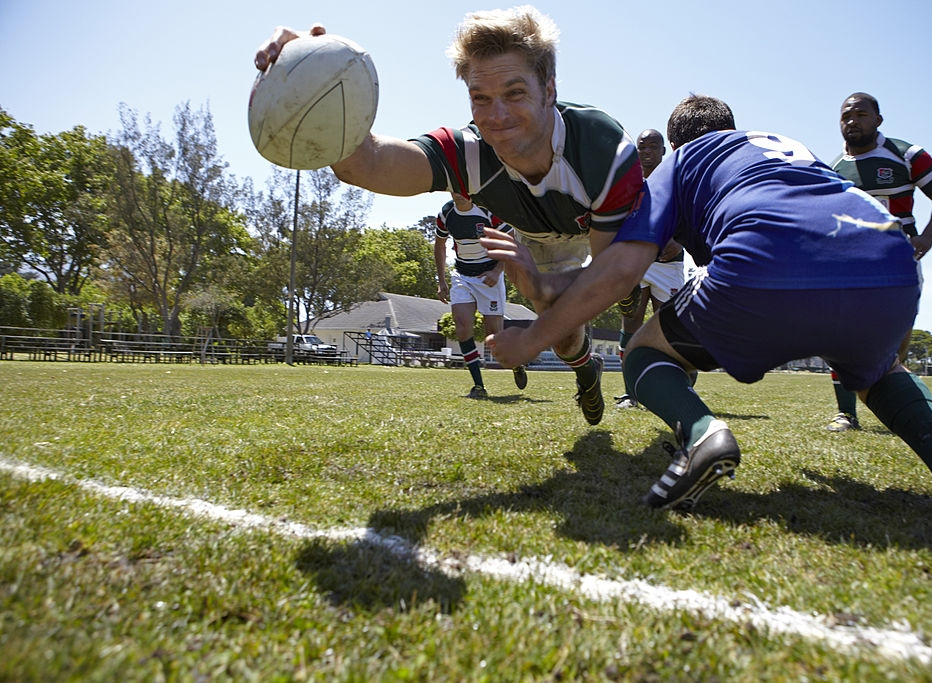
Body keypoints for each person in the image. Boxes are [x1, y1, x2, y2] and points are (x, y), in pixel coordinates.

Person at [481, 95, 932, 523]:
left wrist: (535, 318)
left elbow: (620, 268)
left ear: (673, 142)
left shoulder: (682, 162)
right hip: (888, 265)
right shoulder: (792, 147)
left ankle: (702, 435)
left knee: (644, 349)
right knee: (879, 371)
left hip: (768, 264)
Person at [255, 6, 643, 426]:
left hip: (594, 239)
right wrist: (311, 80)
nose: (497, 116)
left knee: (587, 294)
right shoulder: (469, 151)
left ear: (549, 89)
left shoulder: (604, 148)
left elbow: (606, 273)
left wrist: (533, 336)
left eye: (515, 93)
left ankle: (613, 299)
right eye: (481, 98)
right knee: (563, 328)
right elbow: (363, 165)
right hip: (529, 234)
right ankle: (586, 367)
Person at [823, 92, 932, 432]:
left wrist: (927, 236)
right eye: (845, 116)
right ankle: (846, 414)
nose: (852, 121)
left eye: (861, 114)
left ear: (878, 120)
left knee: (895, 342)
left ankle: (900, 408)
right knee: (838, 336)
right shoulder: (833, 170)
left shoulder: (907, 154)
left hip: (898, 262)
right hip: (851, 267)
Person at [614, 129, 687, 409]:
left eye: (652, 147)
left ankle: (674, 388)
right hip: (636, 261)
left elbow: (690, 214)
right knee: (630, 322)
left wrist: (679, 241)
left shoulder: (675, 177)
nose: (646, 152)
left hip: (668, 265)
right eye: (641, 147)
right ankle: (630, 392)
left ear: (663, 150)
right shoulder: (629, 180)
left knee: (668, 327)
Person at [435, 192, 526, 398]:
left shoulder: (488, 211)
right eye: (453, 188)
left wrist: (497, 271)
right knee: (462, 326)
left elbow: (510, 242)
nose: (458, 193)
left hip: (489, 275)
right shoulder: (446, 213)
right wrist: (441, 281)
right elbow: (440, 245)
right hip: (462, 275)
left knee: (494, 337)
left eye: (462, 187)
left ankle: (516, 363)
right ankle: (478, 386)